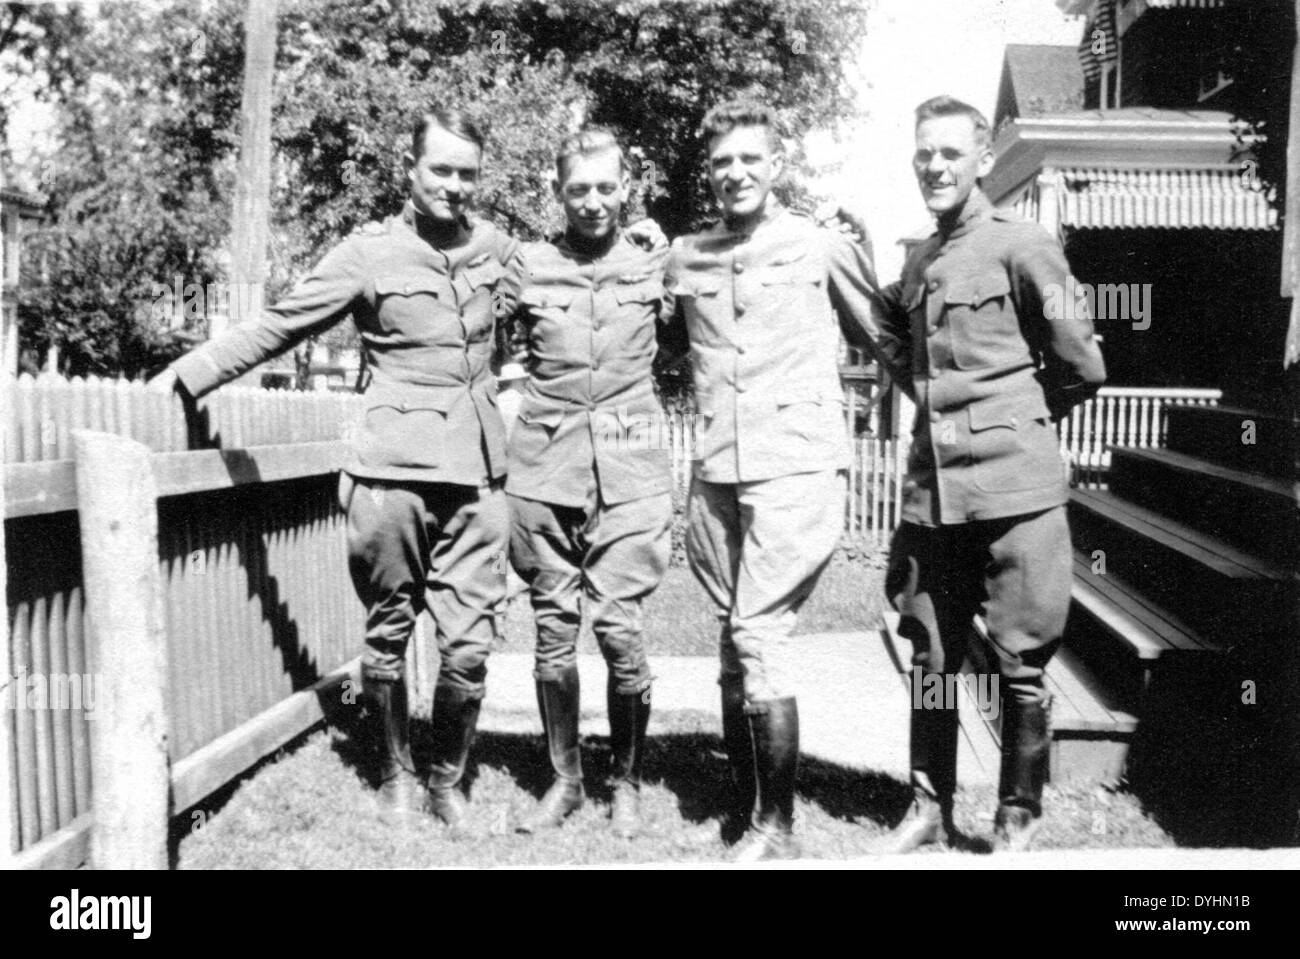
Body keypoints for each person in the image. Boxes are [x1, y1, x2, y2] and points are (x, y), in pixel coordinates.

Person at [149, 108, 522, 829]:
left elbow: (567, 290)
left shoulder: (500, 249)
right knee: (387, 630)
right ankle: (396, 776)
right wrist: (186, 376)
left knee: (470, 644)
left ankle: (448, 780)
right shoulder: (366, 253)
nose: (453, 185)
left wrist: (640, 243)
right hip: (389, 479)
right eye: (440, 169)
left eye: (467, 173)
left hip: (478, 483)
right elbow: (280, 323)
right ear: (410, 169)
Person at [663, 100, 897, 861]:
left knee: (758, 637)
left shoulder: (819, 246)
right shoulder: (684, 255)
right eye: (722, 162)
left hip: (796, 464)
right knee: (733, 642)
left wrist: (953, 422)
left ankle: (776, 826)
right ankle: (743, 798)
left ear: (776, 165)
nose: (736, 173)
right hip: (718, 474)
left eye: (750, 159)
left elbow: (891, 337)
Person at [872, 96, 1106, 853]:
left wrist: (1018, 423)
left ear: (980, 159)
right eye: (922, 154)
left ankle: (1016, 815)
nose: (934, 167)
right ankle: (929, 804)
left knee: (1020, 655)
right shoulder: (917, 260)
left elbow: (1081, 361)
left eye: (949, 153)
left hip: (1014, 486)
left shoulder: (1026, 243)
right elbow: (901, 352)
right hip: (933, 493)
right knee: (932, 652)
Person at [505, 128, 673, 839]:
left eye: (607, 187)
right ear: (557, 192)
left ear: (625, 187)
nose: (594, 201)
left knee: (619, 628)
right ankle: (565, 778)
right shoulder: (527, 264)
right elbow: (485, 347)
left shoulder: (656, 259)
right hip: (546, 465)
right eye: (579, 189)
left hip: (631, 465)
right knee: (552, 630)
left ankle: (627, 781)